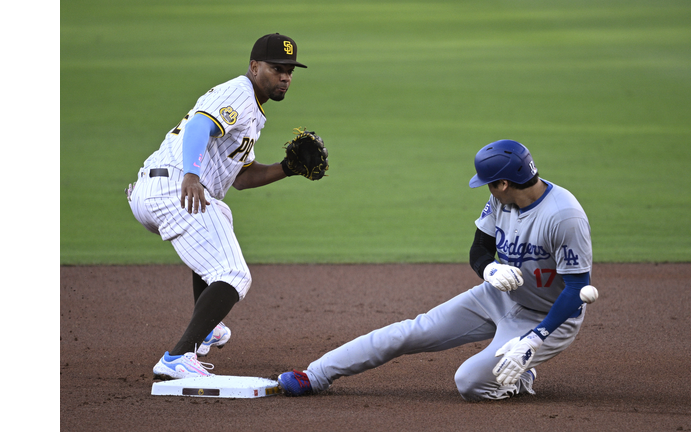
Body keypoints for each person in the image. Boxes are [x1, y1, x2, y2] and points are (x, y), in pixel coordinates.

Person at [277, 139, 593, 401]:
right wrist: (489, 270)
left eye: (488, 183)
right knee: (413, 331)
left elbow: (576, 292)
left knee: (470, 383)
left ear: (504, 183)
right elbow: (479, 249)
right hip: (501, 296)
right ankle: (315, 375)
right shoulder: (501, 200)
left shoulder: (564, 217)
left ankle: (519, 377)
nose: (486, 189)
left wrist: (533, 341)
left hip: (549, 317)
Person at [126, 33, 317, 380]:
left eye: (290, 71)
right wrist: (191, 175)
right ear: (254, 67)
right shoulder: (239, 93)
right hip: (175, 186)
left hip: (159, 189)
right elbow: (200, 125)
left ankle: (206, 329)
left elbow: (242, 178)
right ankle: (177, 357)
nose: (285, 77)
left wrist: (288, 169)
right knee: (234, 274)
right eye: (277, 69)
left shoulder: (253, 113)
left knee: (220, 217)